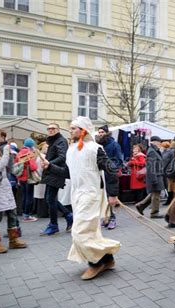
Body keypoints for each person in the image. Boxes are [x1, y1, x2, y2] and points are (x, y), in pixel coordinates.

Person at [43, 116, 120, 280]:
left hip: (91, 195)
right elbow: (68, 173)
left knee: (79, 232)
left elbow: (111, 169)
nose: (70, 131)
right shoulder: (71, 150)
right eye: (70, 128)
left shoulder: (95, 148)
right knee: (89, 232)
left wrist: (113, 194)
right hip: (77, 195)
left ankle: (95, 264)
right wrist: (50, 167)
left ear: (83, 130)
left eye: (73, 128)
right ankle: (107, 259)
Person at [41, 123, 73, 235]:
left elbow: (62, 157)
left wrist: (48, 163)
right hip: (51, 171)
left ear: (58, 130)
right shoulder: (53, 141)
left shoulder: (60, 140)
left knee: (50, 198)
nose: (50, 130)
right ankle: (68, 216)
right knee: (50, 198)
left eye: (53, 128)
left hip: (57, 172)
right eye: (48, 128)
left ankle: (54, 225)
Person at [96, 125, 123, 230]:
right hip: (99, 175)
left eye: (102, 132)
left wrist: (110, 168)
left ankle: (112, 218)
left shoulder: (114, 144)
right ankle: (106, 218)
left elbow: (119, 160)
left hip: (109, 174)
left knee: (111, 198)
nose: (100, 134)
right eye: (99, 132)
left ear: (107, 132)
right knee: (103, 198)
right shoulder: (97, 145)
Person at [135, 136, 165, 218]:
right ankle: (154, 213)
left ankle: (141, 206)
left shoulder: (154, 150)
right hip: (155, 176)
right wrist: (154, 179)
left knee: (154, 193)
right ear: (154, 142)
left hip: (157, 175)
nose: (160, 144)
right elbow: (150, 167)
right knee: (156, 194)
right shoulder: (152, 151)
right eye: (159, 142)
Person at [15, 138, 38, 222]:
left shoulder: (20, 152)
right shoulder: (29, 153)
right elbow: (33, 167)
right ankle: (27, 215)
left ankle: (24, 213)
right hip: (28, 177)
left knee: (24, 196)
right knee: (29, 197)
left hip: (21, 177)